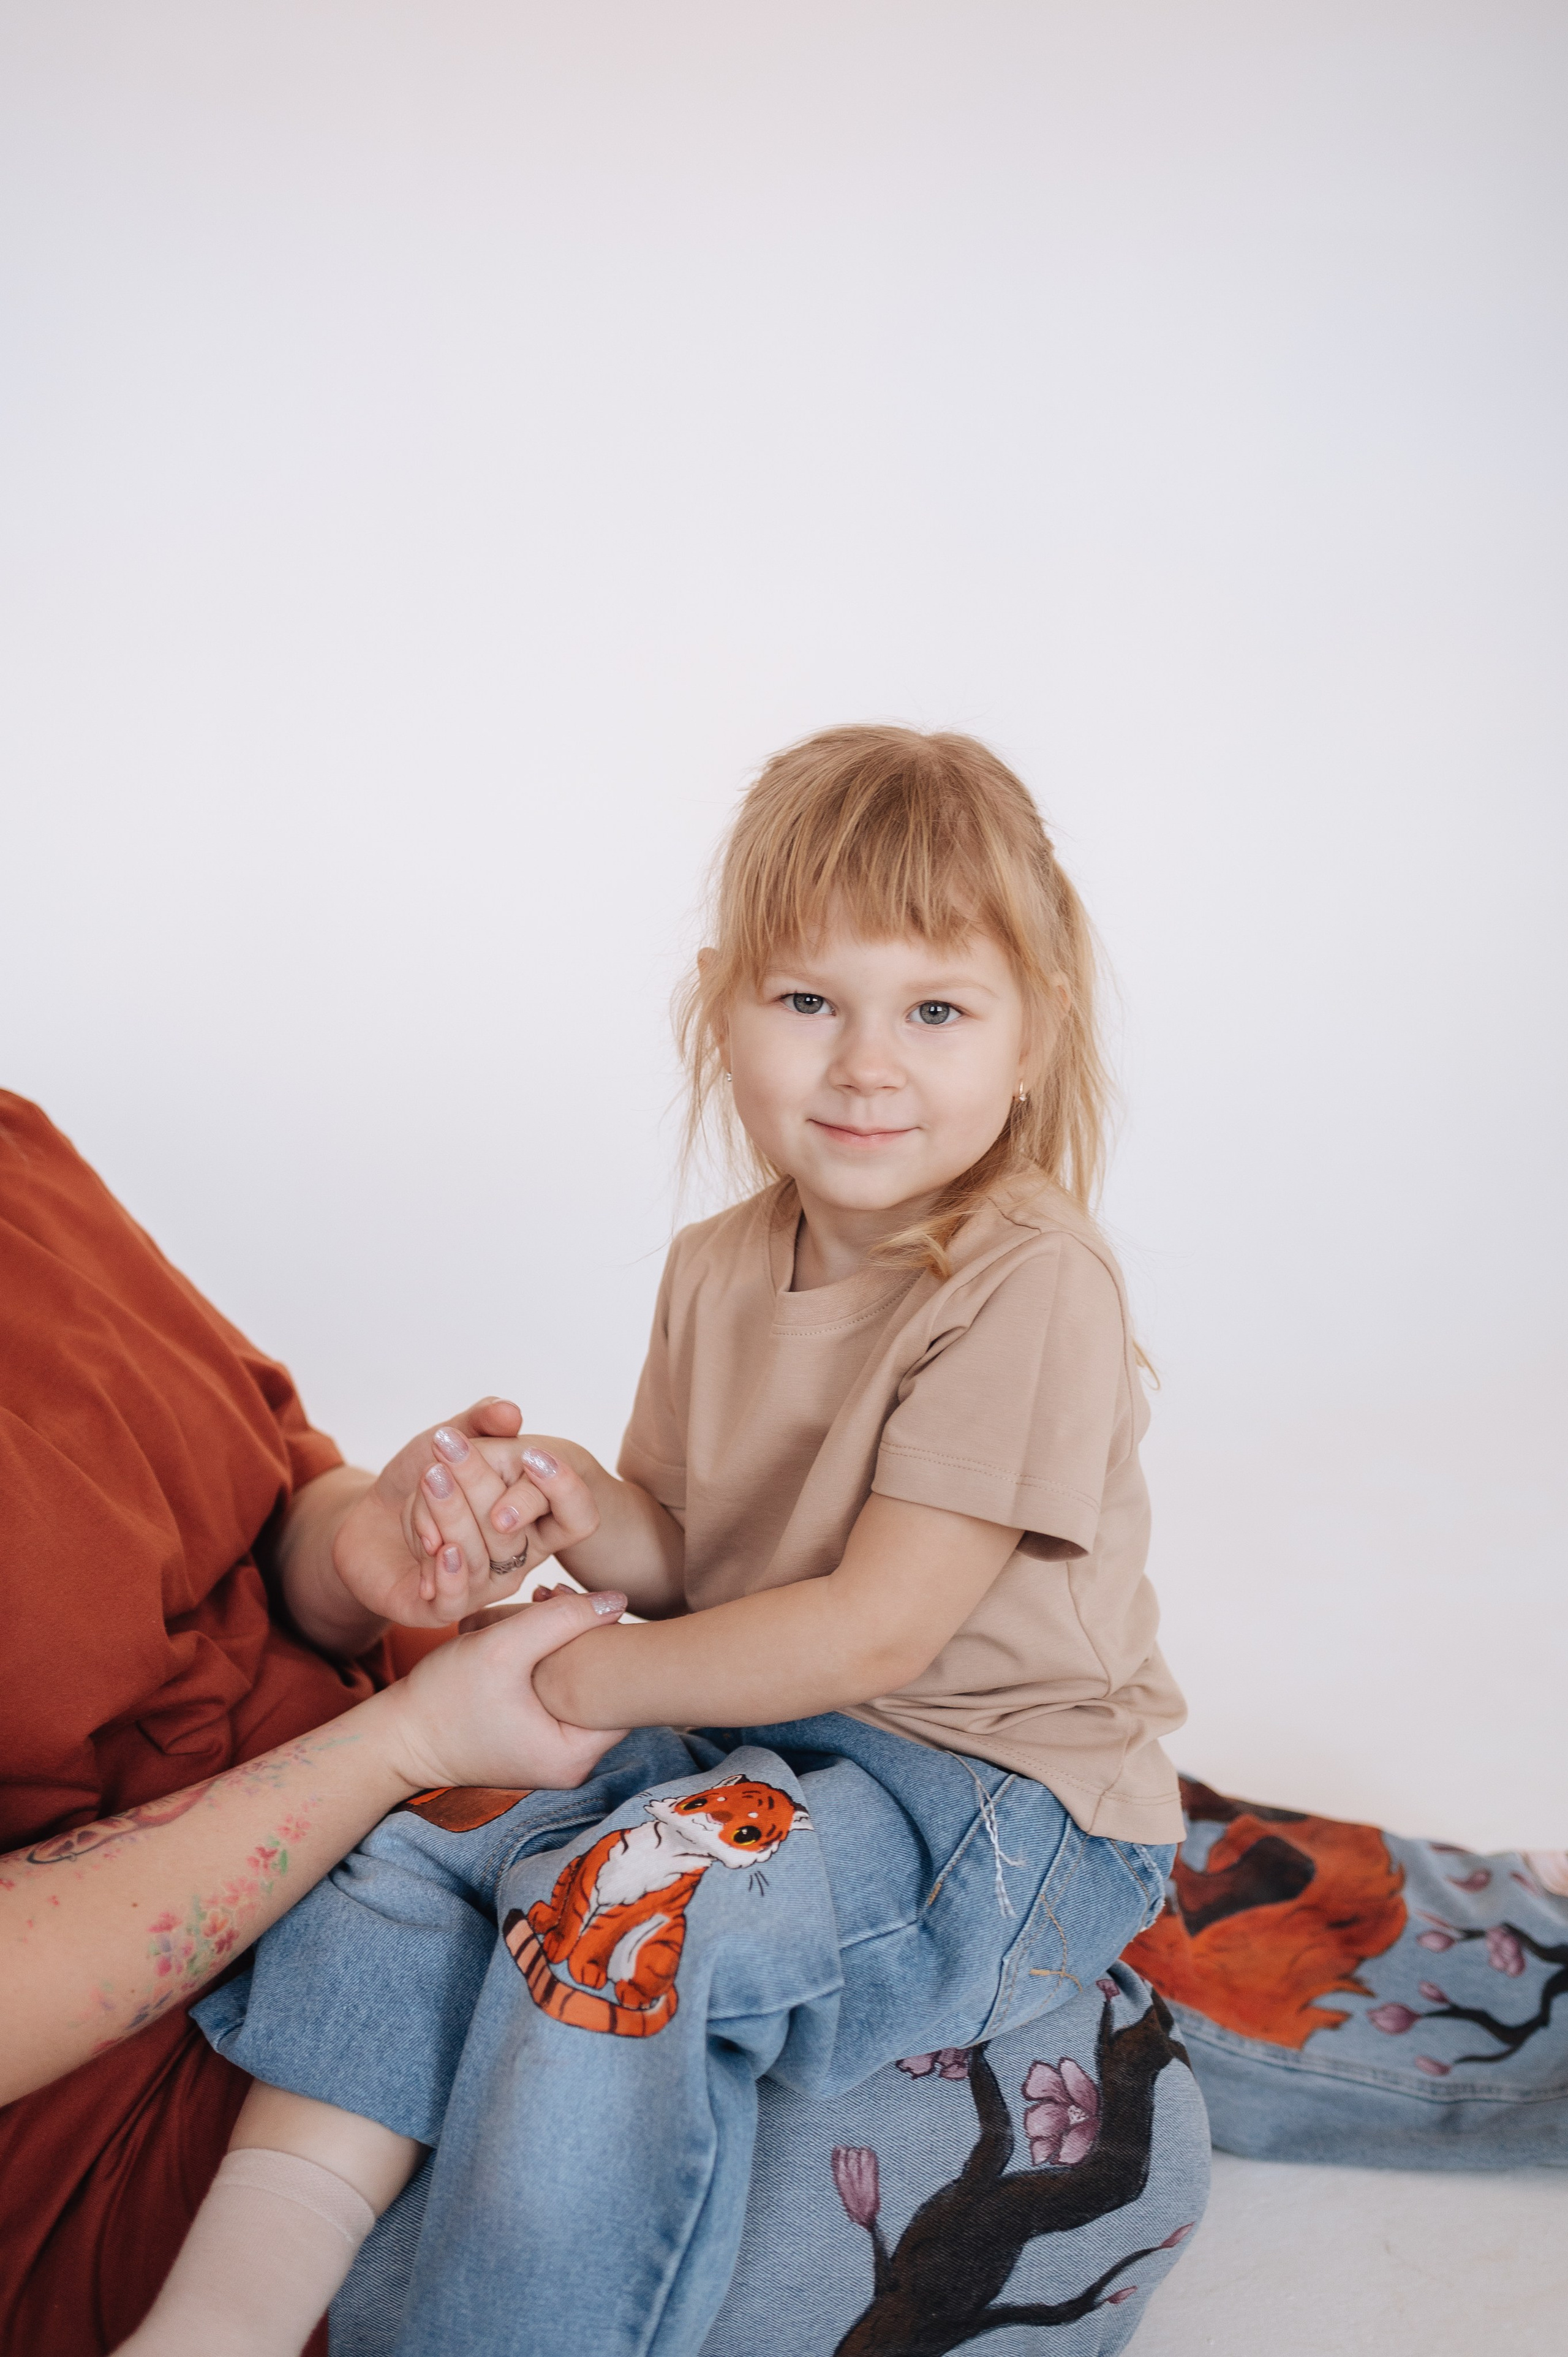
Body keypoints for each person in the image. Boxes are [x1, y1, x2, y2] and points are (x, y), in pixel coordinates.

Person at [121, 726, 1195, 2357]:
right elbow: (696, 1553)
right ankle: (224, 2318)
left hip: (988, 1792)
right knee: (426, 1836)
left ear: (1033, 1035)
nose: (867, 1064)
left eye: (936, 1011)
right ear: (721, 1006)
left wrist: (586, 1679)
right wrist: (575, 1500)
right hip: (785, 1737)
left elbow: (879, 1631)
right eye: (809, 1000)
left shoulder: (1026, 1281)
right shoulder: (718, 1265)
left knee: (621, 1919)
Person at [0, 1089, 632, 2356]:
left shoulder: (14, 1148)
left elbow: (275, 1483)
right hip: (155, 2099)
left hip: (439, 1769)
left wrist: (361, 1551)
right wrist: (398, 1748)